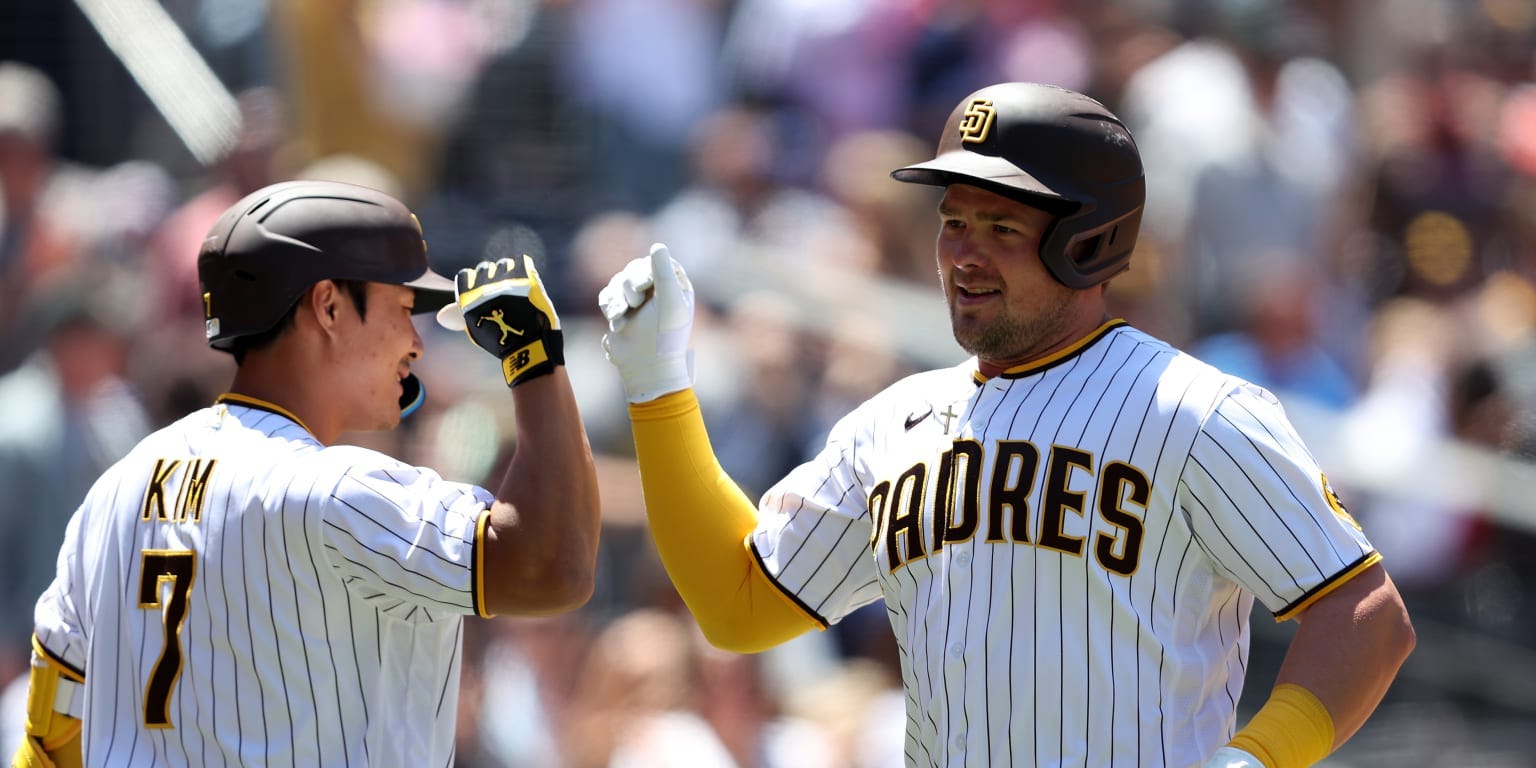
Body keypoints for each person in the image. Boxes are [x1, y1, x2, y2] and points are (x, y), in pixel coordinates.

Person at [598, 83, 1415, 767]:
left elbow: (1367, 614)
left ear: (1087, 242)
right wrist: (659, 391)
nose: (964, 255)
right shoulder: (890, 426)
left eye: (1002, 228)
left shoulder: (1197, 413)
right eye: (954, 223)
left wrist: (1257, 759)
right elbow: (741, 604)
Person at [12, 179, 601, 766]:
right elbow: (553, 568)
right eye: (401, 308)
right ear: (328, 306)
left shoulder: (116, 489)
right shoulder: (334, 492)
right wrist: (535, 361)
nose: (416, 344)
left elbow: (51, 738)